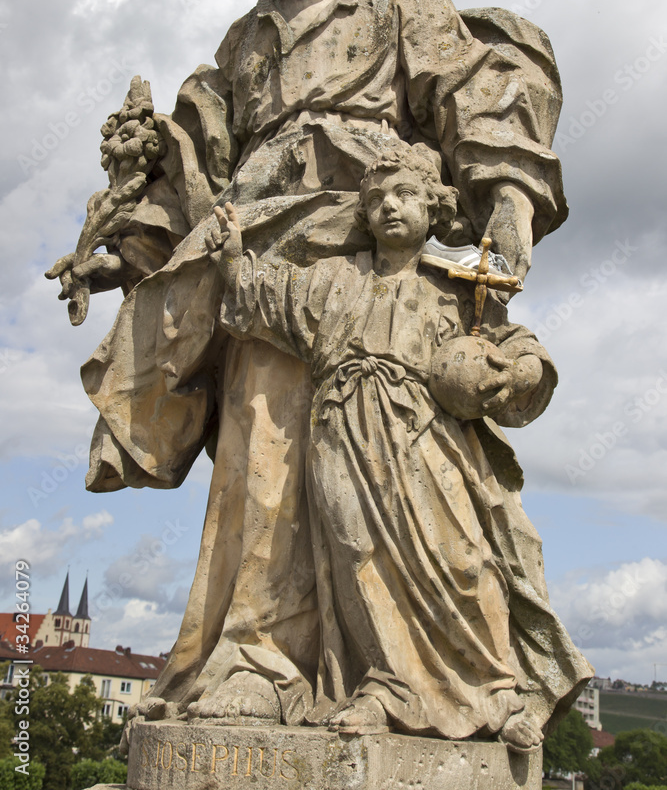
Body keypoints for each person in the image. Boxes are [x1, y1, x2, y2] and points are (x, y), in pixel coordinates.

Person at [48, 0, 584, 739]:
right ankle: (256, 658)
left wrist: (509, 201)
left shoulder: (399, 8)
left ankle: (394, 671)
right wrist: (125, 256)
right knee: (262, 458)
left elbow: (481, 95)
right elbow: (194, 175)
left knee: (379, 471)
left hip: (358, 246)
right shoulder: (243, 40)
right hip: (258, 254)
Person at [202, 143, 589, 751]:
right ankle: (386, 687)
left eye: (405, 195)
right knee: (359, 559)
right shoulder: (333, 279)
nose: (389, 208)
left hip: (426, 441)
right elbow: (269, 301)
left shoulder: (458, 288)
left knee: (466, 559)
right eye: (376, 199)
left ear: (433, 208)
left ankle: (498, 693)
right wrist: (232, 265)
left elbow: (517, 348)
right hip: (342, 438)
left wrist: (515, 373)